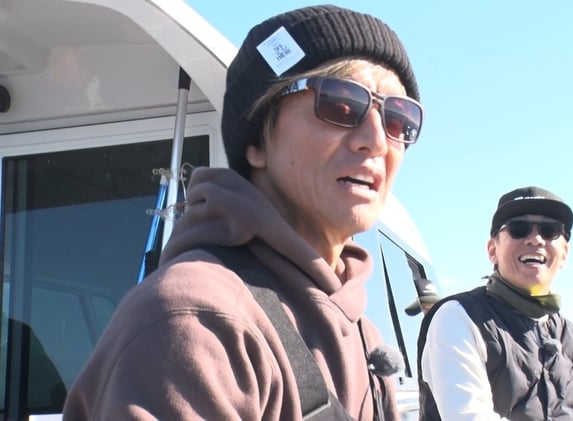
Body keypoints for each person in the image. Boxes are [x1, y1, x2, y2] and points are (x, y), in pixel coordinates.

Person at [62, 5, 423, 420]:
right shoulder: (198, 320)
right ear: (257, 143)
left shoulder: (363, 332)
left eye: (399, 119)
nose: (376, 139)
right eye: (340, 103)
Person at [417, 186, 573, 421]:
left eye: (550, 231)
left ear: (564, 254)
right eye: (519, 229)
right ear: (492, 250)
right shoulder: (457, 317)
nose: (536, 239)